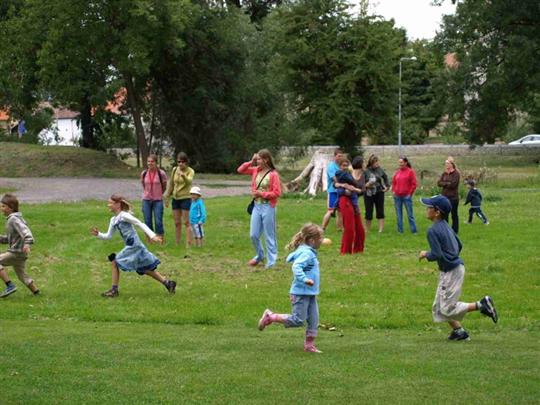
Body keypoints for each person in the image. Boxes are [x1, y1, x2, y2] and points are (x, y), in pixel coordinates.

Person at [419, 195, 498, 341]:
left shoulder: (432, 230)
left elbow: (436, 254)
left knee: (447, 308)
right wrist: (451, 256)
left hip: (451, 271)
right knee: (438, 307)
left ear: (437, 212)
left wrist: (426, 254)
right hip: (453, 268)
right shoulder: (446, 225)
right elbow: (459, 244)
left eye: (429, 207)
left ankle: (481, 305)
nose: (426, 209)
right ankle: (459, 332)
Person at [91, 194, 176, 297]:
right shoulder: (113, 220)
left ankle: (114, 290)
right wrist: (99, 234)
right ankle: (168, 283)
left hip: (134, 245)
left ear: (118, 204)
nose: (108, 205)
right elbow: (108, 236)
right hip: (134, 245)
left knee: (115, 261)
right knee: (145, 268)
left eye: (110, 203)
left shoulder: (124, 215)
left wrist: (152, 235)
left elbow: (139, 223)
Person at [257, 223, 324, 353]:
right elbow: (296, 266)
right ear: (311, 240)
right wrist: (305, 279)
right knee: (297, 320)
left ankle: (309, 345)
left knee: (313, 320)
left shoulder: (308, 251)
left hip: (310, 293)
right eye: (320, 238)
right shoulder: (306, 253)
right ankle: (270, 316)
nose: (322, 240)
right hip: (300, 293)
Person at [237, 149, 282, 269]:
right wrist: (250, 162)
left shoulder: (273, 174)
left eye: (259, 159)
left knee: (269, 235)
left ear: (266, 160)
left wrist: (262, 194)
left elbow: (277, 193)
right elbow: (240, 170)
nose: (257, 161)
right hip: (256, 206)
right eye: (256, 159)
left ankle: (271, 261)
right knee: (253, 235)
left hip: (268, 207)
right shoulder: (255, 170)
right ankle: (260, 256)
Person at [0, 194, 40, 298]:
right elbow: (12, 238)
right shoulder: (14, 218)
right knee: (22, 275)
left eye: (3, 206)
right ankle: (36, 292)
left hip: (16, 253)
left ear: (11, 208)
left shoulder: (13, 219)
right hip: (20, 253)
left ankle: (9, 285)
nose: (1, 208)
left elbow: (26, 231)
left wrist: (27, 242)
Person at [334, 158, 365, 254]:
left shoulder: (362, 174)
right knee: (349, 227)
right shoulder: (342, 174)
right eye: (343, 165)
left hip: (354, 200)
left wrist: (356, 189)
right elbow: (336, 185)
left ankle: (358, 250)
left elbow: (361, 189)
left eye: (346, 165)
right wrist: (343, 187)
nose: (345, 167)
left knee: (360, 229)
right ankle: (345, 251)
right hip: (345, 200)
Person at [164, 152, 195, 246]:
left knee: (186, 222)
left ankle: (189, 243)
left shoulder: (190, 171)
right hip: (175, 199)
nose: (180, 164)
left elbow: (189, 182)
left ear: (186, 162)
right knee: (177, 222)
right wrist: (167, 196)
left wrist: (183, 176)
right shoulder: (174, 169)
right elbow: (171, 184)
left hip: (185, 198)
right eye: (178, 162)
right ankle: (177, 243)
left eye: (182, 162)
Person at [140, 154, 168, 241]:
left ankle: (160, 239)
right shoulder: (144, 173)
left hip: (157, 200)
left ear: (156, 162)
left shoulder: (161, 173)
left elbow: (164, 186)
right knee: (147, 220)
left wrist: (159, 193)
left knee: (158, 221)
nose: (150, 163)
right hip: (146, 200)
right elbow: (144, 185)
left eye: (152, 161)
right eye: (148, 161)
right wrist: (147, 194)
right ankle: (150, 239)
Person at [391, 156, 418, 234]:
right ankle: (400, 231)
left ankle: (414, 230)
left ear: (405, 163)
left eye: (401, 162)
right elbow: (394, 182)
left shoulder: (410, 172)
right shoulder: (397, 172)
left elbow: (414, 184)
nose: (400, 164)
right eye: (399, 162)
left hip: (406, 196)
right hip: (397, 196)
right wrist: (393, 191)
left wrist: (410, 193)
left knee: (410, 214)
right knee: (399, 214)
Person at [363, 154, 389, 233]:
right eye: (375, 162)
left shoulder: (380, 170)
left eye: (378, 162)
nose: (377, 164)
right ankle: (367, 230)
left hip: (379, 192)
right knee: (368, 211)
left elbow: (385, 177)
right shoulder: (366, 171)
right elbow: (361, 182)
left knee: (380, 210)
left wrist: (387, 186)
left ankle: (380, 230)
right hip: (368, 193)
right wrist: (366, 185)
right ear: (371, 163)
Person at [321, 148, 344, 232]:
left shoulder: (342, 166)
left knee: (340, 211)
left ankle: (339, 229)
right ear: (334, 156)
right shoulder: (331, 166)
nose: (340, 158)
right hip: (333, 191)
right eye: (338, 156)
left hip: (341, 191)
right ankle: (322, 228)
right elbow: (335, 179)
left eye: (341, 156)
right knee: (331, 211)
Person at [437, 156, 460, 234]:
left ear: (451, 164)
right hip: (444, 197)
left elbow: (453, 185)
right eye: (445, 163)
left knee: (454, 214)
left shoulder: (456, 174)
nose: (446, 165)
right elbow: (439, 183)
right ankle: (446, 230)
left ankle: (455, 231)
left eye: (447, 163)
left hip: (453, 198)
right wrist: (447, 183)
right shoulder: (444, 173)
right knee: (444, 214)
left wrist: (444, 183)